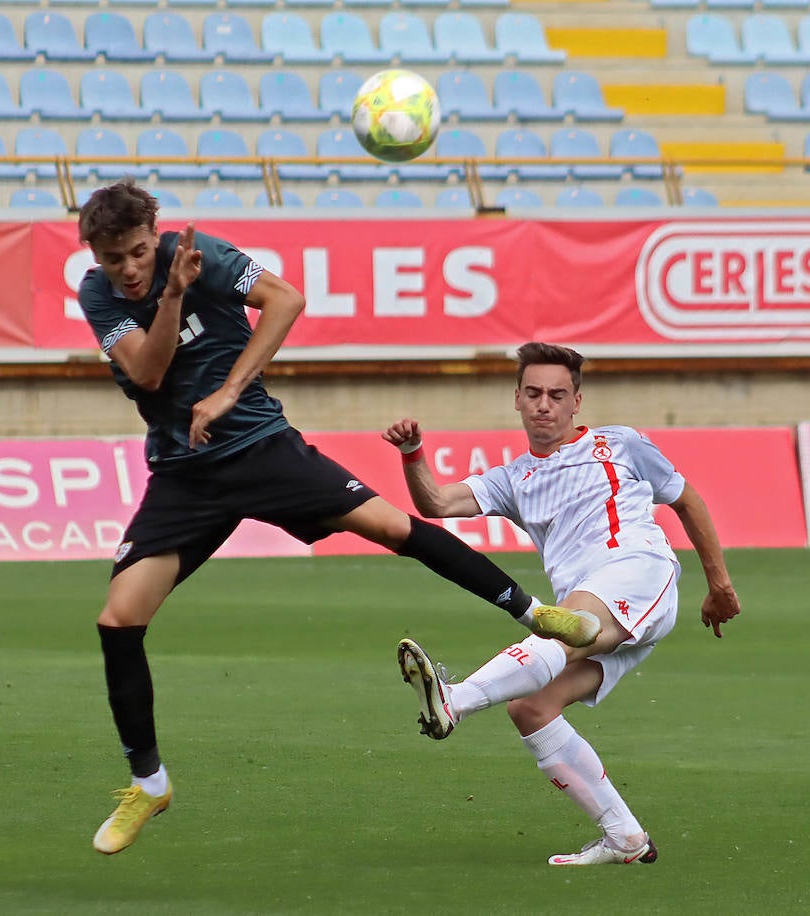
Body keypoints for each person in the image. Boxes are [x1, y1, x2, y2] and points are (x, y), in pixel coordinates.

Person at [77, 181, 596, 855]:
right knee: (119, 618)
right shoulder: (101, 294)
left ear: (158, 233)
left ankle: (533, 613)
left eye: (139, 252)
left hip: (261, 449)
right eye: (114, 258)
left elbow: (286, 299)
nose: (129, 269)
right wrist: (171, 293)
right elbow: (147, 375)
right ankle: (149, 783)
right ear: (96, 253)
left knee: (394, 529)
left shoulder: (204, 254)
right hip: (184, 475)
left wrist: (231, 391)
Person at [384, 341, 742, 866]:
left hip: (639, 571)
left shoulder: (620, 444)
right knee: (530, 706)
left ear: (577, 400)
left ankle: (453, 701)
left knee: (564, 627)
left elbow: (686, 499)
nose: (544, 404)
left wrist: (720, 585)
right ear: (517, 400)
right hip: (593, 611)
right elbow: (435, 503)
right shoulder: (512, 479)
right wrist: (412, 454)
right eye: (533, 393)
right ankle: (624, 836)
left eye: (556, 394)